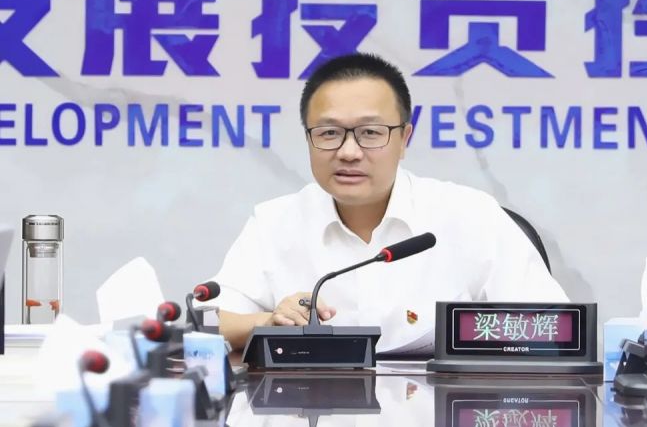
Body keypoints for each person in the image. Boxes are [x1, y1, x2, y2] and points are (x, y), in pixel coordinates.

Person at [212, 53, 568, 351]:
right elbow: (209, 327)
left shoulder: (471, 216)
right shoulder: (274, 222)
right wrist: (271, 322)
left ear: (404, 139)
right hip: (312, 410)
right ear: (308, 138)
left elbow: (555, 328)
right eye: (329, 133)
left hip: (446, 410)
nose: (349, 152)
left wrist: (468, 338)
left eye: (370, 133)